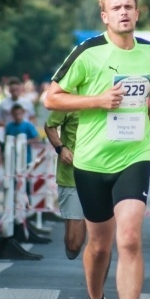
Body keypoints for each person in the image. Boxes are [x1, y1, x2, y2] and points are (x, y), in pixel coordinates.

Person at [44, 0, 150, 299]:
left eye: (129, 6)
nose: (124, 12)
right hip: (91, 160)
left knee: (129, 237)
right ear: (105, 15)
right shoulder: (88, 52)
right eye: (116, 7)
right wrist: (98, 99)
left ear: (138, 11)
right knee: (98, 246)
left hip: (134, 154)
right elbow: (51, 96)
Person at [44, 111, 86, 260]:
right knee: (73, 245)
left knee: (101, 241)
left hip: (105, 171)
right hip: (72, 175)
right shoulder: (70, 96)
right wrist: (61, 148)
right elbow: (49, 125)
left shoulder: (112, 94)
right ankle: (81, 220)